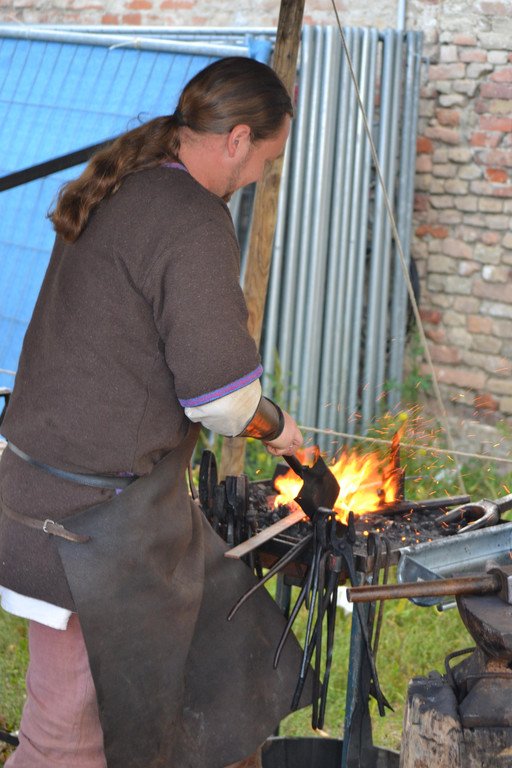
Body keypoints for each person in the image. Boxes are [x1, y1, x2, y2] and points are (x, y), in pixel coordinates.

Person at [0, 57, 309, 768]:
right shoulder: (191, 218)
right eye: (266, 159)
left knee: (227, 642)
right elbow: (221, 399)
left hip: (57, 498)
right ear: (237, 139)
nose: (260, 175)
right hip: (84, 530)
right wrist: (277, 427)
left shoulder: (130, 182)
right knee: (64, 741)